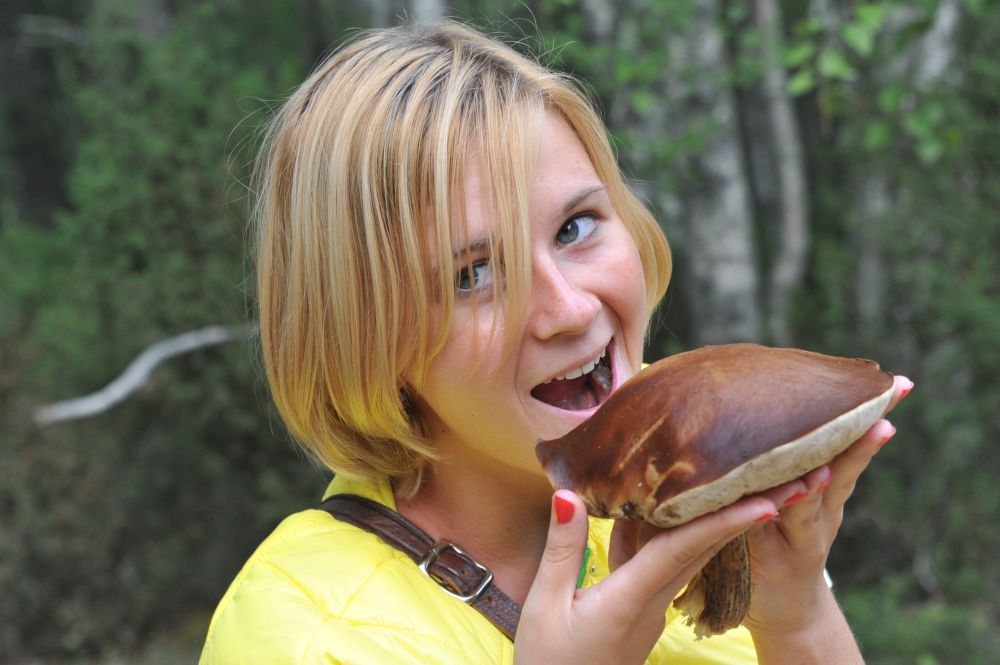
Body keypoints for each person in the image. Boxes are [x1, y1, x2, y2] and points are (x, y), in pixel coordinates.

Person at [200, 20, 912, 664]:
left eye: (575, 227)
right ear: (366, 340)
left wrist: (795, 617)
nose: (569, 309)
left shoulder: (690, 475)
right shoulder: (305, 637)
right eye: (474, 274)